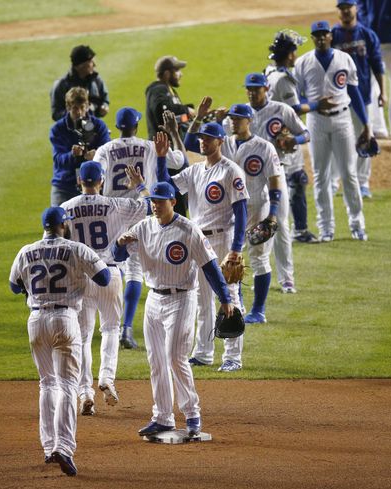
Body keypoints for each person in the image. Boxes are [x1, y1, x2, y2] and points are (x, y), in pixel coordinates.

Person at [112, 179, 234, 437]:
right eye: (152, 201)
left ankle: (192, 414)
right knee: (156, 360)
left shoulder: (189, 230)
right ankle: (163, 417)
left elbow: (210, 268)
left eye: (160, 201)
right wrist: (120, 244)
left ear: (172, 202)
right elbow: (118, 256)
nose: (155, 205)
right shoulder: (144, 227)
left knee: (174, 358)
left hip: (182, 299)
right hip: (154, 301)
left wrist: (225, 298)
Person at [9, 206, 111, 476]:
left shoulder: (26, 250)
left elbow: (14, 285)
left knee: (46, 384)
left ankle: (47, 447)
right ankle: (63, 447)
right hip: (65, 320)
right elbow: (105, 277)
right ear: (64, 225)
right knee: (67, 384)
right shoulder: (76, 248)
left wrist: (34, 288)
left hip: (36, 322)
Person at [157, 118, 249, 371]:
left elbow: (241, 213)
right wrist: (161, 158)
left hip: (223, 238)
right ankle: (204, 352)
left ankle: (232, 357)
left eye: (207, 138)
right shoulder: (195, 170)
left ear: (220, 141)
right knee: (202, 297)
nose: (202, 141)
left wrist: (236, 249)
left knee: (228, 296)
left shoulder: (231, 171)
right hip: (198, 240)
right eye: (200, 138)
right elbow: (166, 187)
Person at [94, 107, 186, 349]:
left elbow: (97, 174)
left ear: (117, 126)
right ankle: (125, 329)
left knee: (113, 266)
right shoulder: (148, 146)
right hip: (141, 209)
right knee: (134, 270)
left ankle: (109, 326)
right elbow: (180, 160)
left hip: (111, 212)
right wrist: (175, 134)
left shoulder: (105, 149)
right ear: (136, 126)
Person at [61, 161, 149, 415]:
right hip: (109, 272)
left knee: (83, 336)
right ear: (102, 181)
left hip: (80, 277)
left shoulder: (66, 208)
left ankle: (85, 392)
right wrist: (140, 186)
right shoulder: (116, 205)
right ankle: (107, 378)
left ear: (80, 181)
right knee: (111, 328)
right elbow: (151, 207)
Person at [185, 99, 283, 323]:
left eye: (239, 119)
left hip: (258, 208)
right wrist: (200, 117)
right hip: (228, 212)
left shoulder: (264, 146)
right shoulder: (224, 142)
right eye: (232, 119)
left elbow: (276, 180)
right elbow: (190, 142)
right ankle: (237, 302)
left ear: (250, 120)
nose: (234, 122)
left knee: (258, 257)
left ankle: (258, 310)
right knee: (231, 262)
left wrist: (273, 212)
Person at [223, 73, 309, 293]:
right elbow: (222, 139)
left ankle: (286, 278)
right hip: (244, 179)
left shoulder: (282, 110)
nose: (252, 93)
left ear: (266, 88)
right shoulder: (238, 113)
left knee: (279, 226)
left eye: (257, 89)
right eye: (249, 89)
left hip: (275, 173)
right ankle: (243, 279)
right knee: (238, 233)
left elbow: (305, 133)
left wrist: (293, 140)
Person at [294, 21, 369, 241]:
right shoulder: (302, 62)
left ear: (330, 36)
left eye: (324, 34)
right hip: (316, 121)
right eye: (316, 35)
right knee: (321, 176)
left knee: (349, 174)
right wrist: (316, 103)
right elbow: (298, 97)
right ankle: (326, 228)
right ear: (312, 38)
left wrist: (366, 125)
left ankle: (357, 224)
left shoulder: (345, 59)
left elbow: (354, 93)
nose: (320, 38)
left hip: (343, 119)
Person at [265, 31, 319, 243]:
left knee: (277, 183)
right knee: (295, 181)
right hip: (285, 140)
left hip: (271, 135)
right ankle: (298, 231)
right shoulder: (284, 80)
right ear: (290, 55)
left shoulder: (268, 72)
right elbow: (295, 109)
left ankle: (279, 229)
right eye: (295, 50)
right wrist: (317, 104)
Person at [331, 0, 385, 198]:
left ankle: (363, 183)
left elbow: (377, 65)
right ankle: (334, 181)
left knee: (365, 138)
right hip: (338, 99)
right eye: (342, 9)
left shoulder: (367, 35)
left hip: (363, 97)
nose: (345, 11)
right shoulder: (332, 35)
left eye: (348, 7)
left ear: (356, 9)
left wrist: (382, 92)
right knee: (336, 140)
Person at [145, 55, 195, 216]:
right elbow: (162, 110)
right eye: (177, 70)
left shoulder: (169, 90)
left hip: (172, 154)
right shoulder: (158, 89)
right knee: (174, 201)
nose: (180, 74)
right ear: (167, 74)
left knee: (179, 200)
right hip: (165, 157)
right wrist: (186, 110)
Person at [49, 87, 110, 206]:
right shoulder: (58, 129)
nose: (80, 112)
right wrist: (72, 155)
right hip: (65, 186)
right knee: (57, 223)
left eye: (82, 108)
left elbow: (108, 153)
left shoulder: (99, 126)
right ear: (68, 108)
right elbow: (58, 160)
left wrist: (96, 154)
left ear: (87, 106)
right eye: (75, 108)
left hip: (94, 186)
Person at [356, 0, 391, 150]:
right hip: (368, 38)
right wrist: (366, 28)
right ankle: (377, 128)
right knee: (367, 85)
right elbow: (357, 6)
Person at [50, 45, 109, 122]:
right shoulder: (61, 85)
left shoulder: (97, 81)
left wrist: (104, 107)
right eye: (91, 62)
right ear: (80, 66)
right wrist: (75, 114)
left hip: (93, 128)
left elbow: (104, 101)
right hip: (69, 131)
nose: (94, 65)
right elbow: (56, 114)